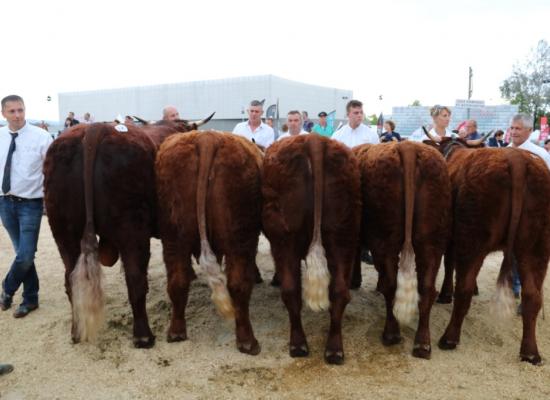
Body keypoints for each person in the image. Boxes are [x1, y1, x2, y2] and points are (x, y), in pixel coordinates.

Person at [0, 95, 53, 318]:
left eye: (20, 110)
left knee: (26, 255)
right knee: (22, 252)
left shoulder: (42, 137)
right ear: (3, 113)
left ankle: (7, 288)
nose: (17, 115)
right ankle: (30, 299)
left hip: (30, 204)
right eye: (12, 111)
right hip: (4, 202)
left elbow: (51, 171)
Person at [507, 114, 550, 309]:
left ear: (528, 131)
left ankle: (524, 291)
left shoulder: (540, 154)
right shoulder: (502, 152)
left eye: (518, 129)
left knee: (526, 253)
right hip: (505, 210)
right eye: (512, 128)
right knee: (509, 248)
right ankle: (511, 284)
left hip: (531, 212)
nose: (514, 132)